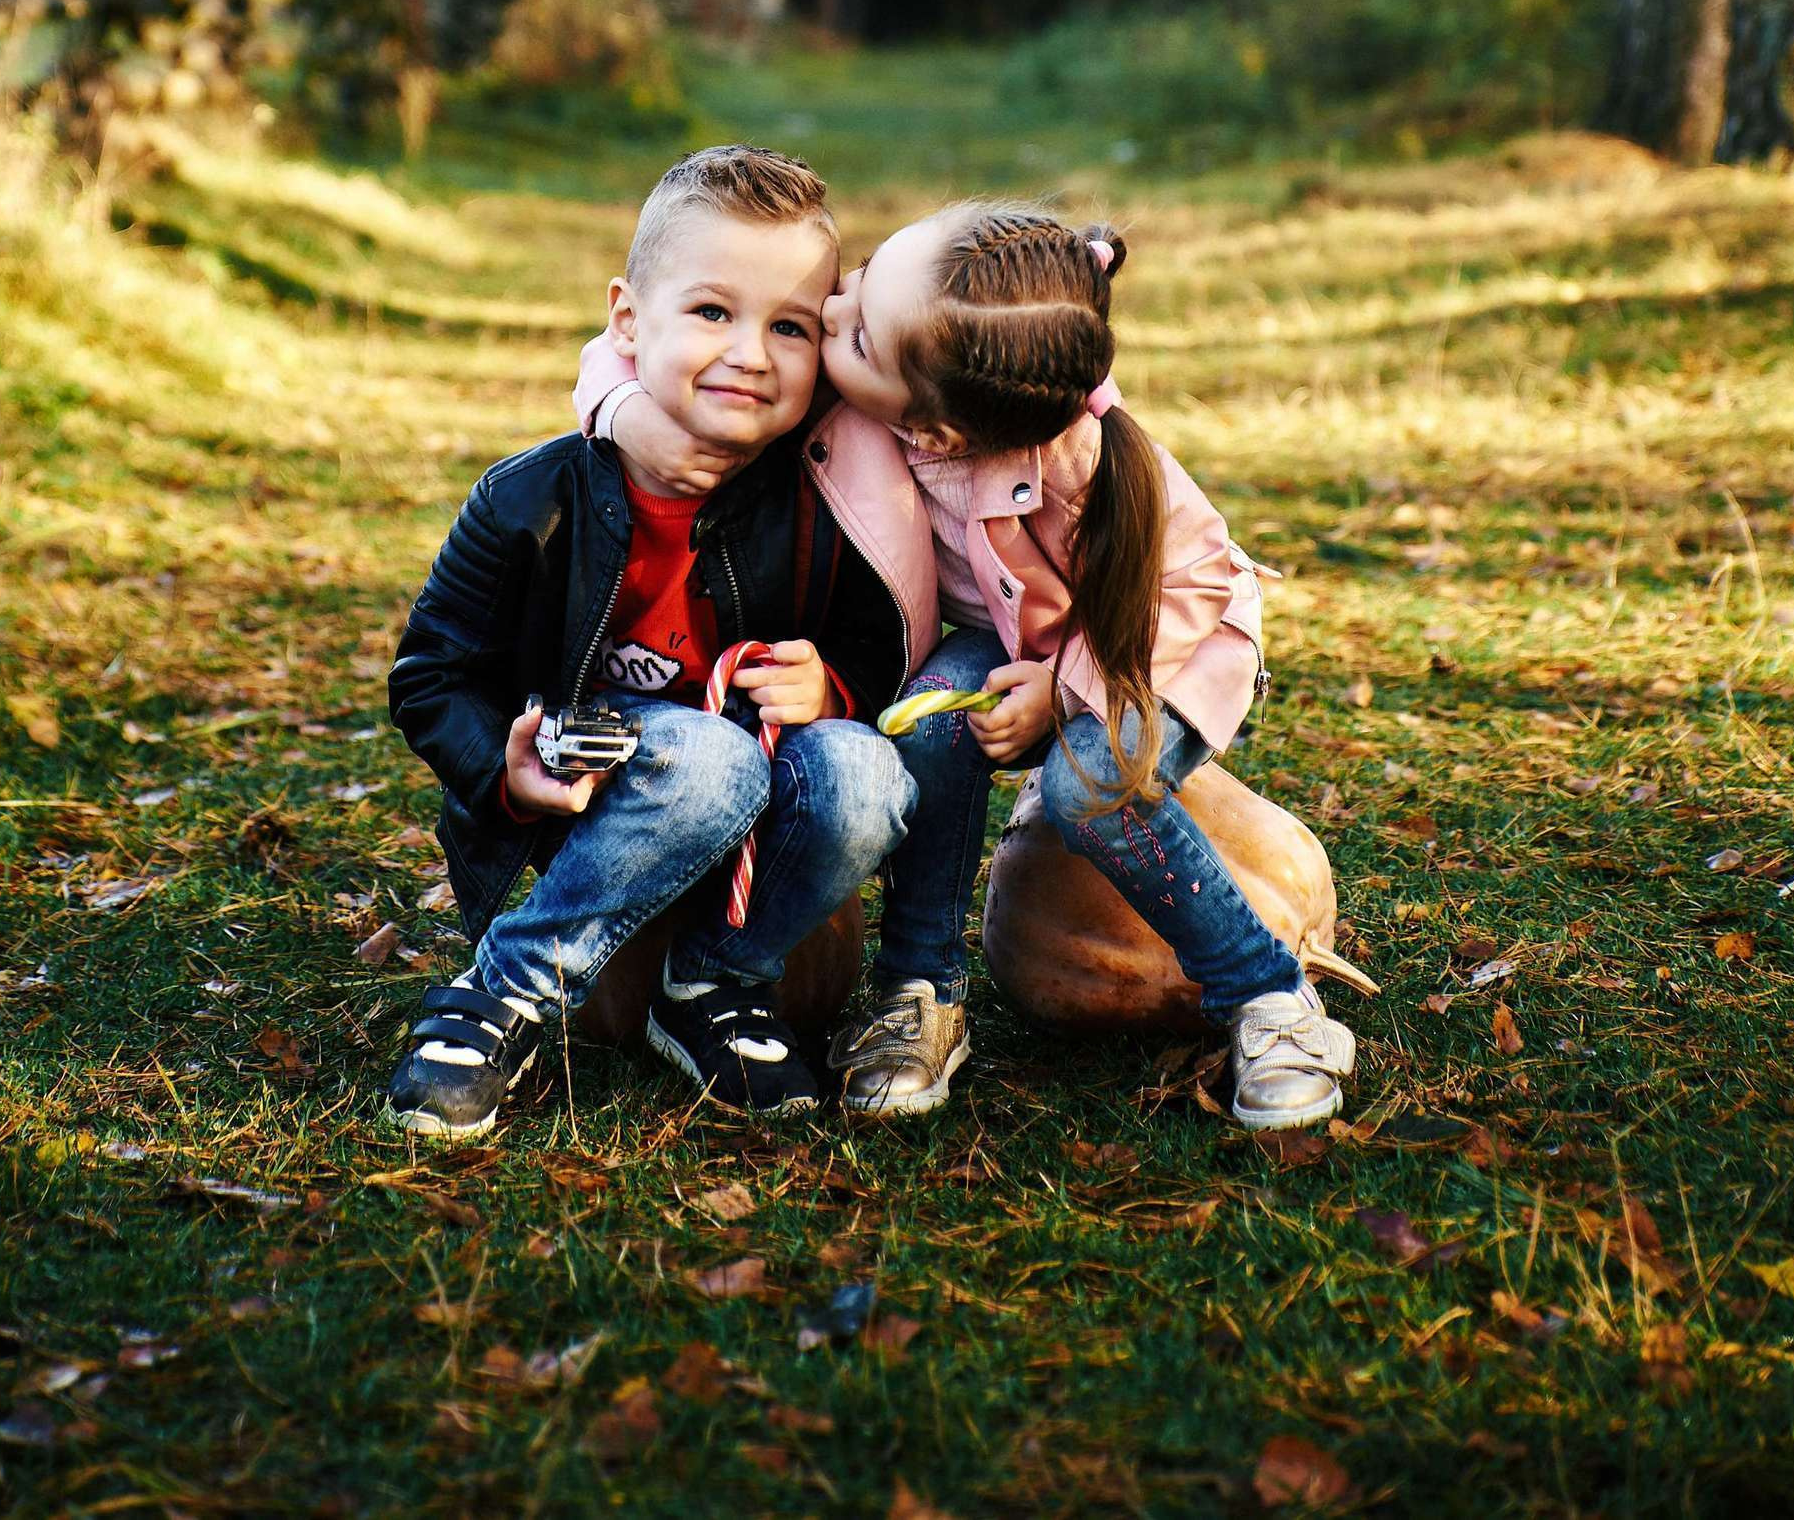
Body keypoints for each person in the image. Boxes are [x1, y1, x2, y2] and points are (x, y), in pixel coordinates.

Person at [576, 202, 1358, 1134]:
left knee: (1088, 788)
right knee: (931, 723)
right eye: (863, 273)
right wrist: (628, 418)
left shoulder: (1069, 450)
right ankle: (921, 991)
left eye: (856, 326)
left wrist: (1069, 687)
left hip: (1156, 644)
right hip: (1017, 637)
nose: (834, 311)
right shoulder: (892, 363)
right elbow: (627, 345)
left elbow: (1183, 588)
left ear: (939, 435)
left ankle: (1268, 998)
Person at [383, 145, 918, 1137]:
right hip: (598, 797)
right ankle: (501, 991)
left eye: (789, 325)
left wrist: (835, 679)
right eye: (711, 311)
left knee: (868, 775)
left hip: (749, 798)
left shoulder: (822, 489)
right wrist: (497, 762)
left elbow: (873, 632)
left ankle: (714, 980)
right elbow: (429, 675)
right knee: (706, 757)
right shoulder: (532, 496)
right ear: (626, 319)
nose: (751, 352)